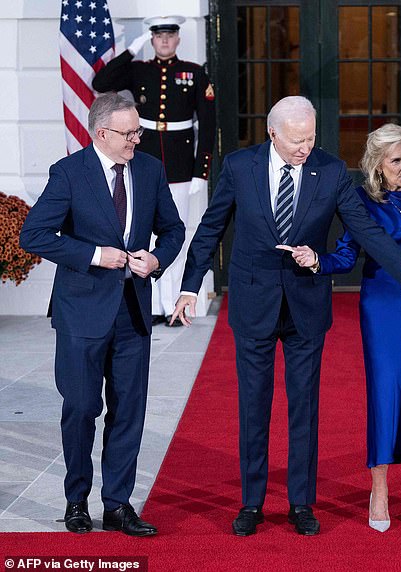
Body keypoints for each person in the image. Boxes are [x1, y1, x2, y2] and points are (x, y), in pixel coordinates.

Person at [171, 96, 401, 537]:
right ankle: (251, 504)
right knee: (254, 406)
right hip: (253, 303)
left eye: (310, 138)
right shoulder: (239, 166)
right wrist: (190, 286)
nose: (305, 147)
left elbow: (368, 233)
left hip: (306, 306)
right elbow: (211, 227)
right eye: (296, 140)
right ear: (273, 134)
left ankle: (301, 504)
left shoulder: (329, 171)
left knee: (304, 407)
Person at [20, 93, 185, 536]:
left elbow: (173, 229)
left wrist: (156, 260)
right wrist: (95, 254)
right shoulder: (69, 173)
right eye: (129, 132)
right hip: (81, 314)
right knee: (80, 408)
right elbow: (33, 235)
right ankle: (77, 500)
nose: (137, 139)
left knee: (128, 412)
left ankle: (118, 504)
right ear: (102, 133)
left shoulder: (149, 169)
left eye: (138, 131)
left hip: (133, 313)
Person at [291, 124, 401, 533]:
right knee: (386, 392)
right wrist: (316, 261)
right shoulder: (360, 201)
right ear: (376, 164)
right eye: (395, 160)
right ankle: (379, 488)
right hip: (382, 308)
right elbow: (344, 257)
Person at [93, 15, 216, 326]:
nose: (164, 41)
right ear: (152, 39)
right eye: (158, 36)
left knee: (176, 233)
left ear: (177, 39)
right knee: (141, 231)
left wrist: (201, 170)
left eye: (169, 35)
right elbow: (101, 83)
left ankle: (174, 301)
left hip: (179, 163)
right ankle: (150, 305)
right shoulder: (139, 69)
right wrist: (131, 50)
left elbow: (208, 123)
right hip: (142, 157)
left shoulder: (194, 73)